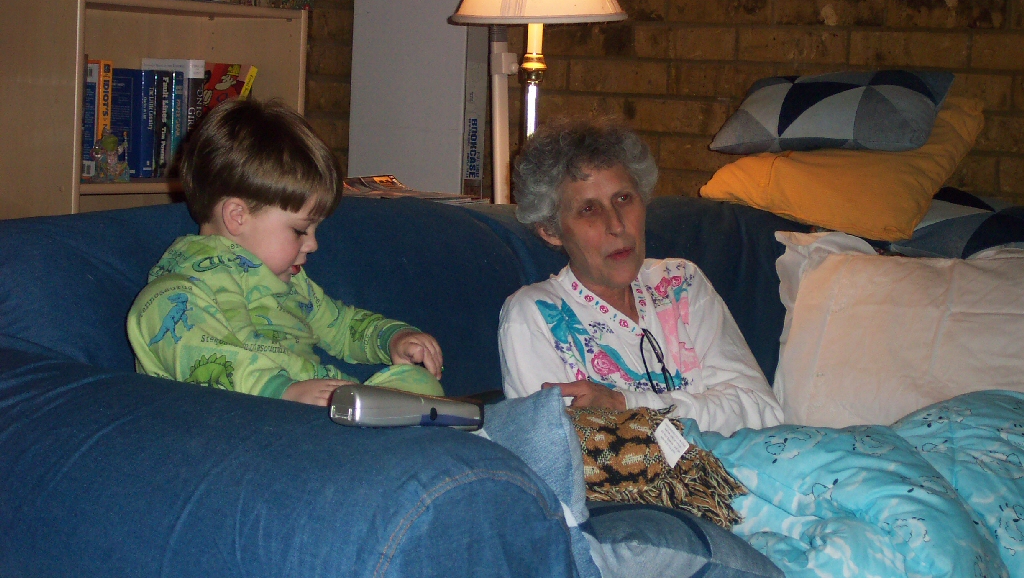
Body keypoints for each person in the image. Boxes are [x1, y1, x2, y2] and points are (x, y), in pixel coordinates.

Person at [127, 98, 444, 406]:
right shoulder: (177, 292)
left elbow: (341, 326)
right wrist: (285, 392)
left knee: (419, 383)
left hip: (320, 404)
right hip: (249, 415)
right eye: (300, 230)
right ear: (237, 217)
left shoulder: (292, 282)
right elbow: (207, 361)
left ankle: (383, 416)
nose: (313, 245)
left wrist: (392, 338)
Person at [498, 121, 782, 436]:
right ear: (551, 230)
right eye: (589, 209)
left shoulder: (680, 283)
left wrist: (625, 405)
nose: (617, 225)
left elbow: (762, 412)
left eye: (623, 198)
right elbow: (558, 450)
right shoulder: (536, 315)